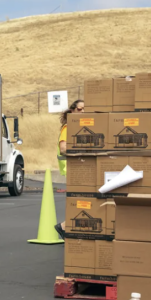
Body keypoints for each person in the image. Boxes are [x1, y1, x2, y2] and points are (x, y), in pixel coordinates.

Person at [54, 99, 85, 239]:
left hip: (81, 170)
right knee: (82, 202)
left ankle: (67, 227)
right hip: (73, 170)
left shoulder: (82, 127)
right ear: (72, 111)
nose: (83, 112)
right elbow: (63, 148)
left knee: (84, 202)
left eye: (85, 109)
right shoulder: (68, 128)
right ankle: (64, 227)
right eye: (79, 109)